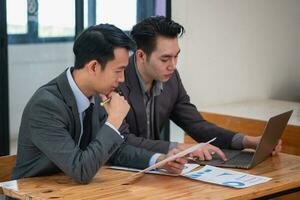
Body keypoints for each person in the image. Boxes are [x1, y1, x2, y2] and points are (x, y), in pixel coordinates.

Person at [12, 24, 188, 184]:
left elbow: (116, 150)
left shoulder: (97, 96)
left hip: (73, 191)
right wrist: (114, 120)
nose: (122, 79)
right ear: (94, 67)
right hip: (33, 194)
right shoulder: (46, 105)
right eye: (118, 71)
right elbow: (80, 170)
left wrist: (159, 160)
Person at [119, 16, 282, 160]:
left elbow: (196, 125)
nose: (173, 66)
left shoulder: (171, 79)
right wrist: (180, 148)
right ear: (141, 56)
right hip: (117, 173)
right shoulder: (116, 80)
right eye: (165, 59)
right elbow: (121, 140)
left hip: (157, 169)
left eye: (176, 56)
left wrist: (249, 141)